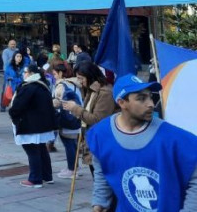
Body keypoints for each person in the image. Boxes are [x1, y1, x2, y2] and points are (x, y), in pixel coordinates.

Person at [88, 74, 197, 212]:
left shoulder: (174, 138)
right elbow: (102, 171)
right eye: (141, 98)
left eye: (150, 96)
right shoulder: (101, 134)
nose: (151, 104)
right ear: (122, 103)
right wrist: (100, 202)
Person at [61, 61, 116, 176]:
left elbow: (97, 119)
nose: (80, 82)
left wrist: (75, 108)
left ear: (90, 76)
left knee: (101, 178)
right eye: (78, 78)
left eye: (81, 78)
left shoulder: (105, 92)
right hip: (92, 139)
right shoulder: (91, 90)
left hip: (102, 141)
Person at [9, 64, 56, 188]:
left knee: (32, 150)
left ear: (30, 73)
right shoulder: (43, 85)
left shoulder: (29, 87)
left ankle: (35, 179)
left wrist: (13, 116)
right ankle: (47, 176)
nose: (23, 74)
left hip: (30, 124)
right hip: (42, 124)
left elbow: (18, 106)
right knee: (41, 149)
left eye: (25, 72)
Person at [50, 61, 83, 179]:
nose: (54, 77)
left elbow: (57, 103)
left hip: (66, 118)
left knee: (68, 144)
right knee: (73, 143)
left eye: (54, 74)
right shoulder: (73, 83)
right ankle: (75, 167)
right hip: (77, 116)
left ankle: (72, 169)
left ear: (60, 73)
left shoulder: (61, 85)